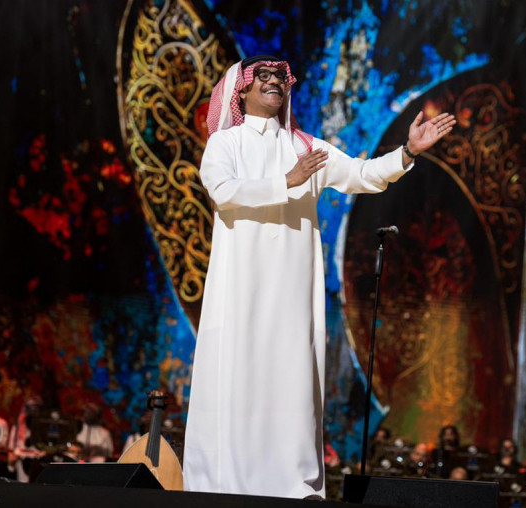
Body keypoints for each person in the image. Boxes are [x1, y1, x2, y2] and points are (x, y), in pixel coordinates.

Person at [183, 54, 455, 499]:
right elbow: (222, 191)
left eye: (280, 76)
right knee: (239, 376)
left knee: (290, 381)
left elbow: (364, 175)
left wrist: (407, 152)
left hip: (291, 291)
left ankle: (289, 487)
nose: (274, 81)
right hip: (241, 287)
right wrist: (285, 182)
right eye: (263, 76)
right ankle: (230, 484)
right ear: (242, 90)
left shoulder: (307, 147)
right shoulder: (226, 143)